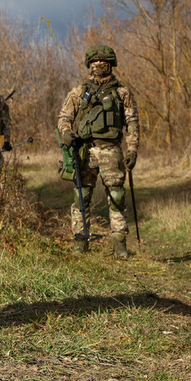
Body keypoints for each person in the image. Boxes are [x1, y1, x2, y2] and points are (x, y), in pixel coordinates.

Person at [57, 45, 140, 257]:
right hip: (85, 151)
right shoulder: (79, 91)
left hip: (112, 150)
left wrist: (132, 149)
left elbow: (132, 122)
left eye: (104, 62)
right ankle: (80, 241)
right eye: (95, 62)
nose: (99, 65)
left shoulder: (122, 92)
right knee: (81, 195)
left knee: (117, 196)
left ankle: (120, 244)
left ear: (111, 64)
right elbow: (64, 118)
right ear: (89, 65)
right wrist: (66, 133)